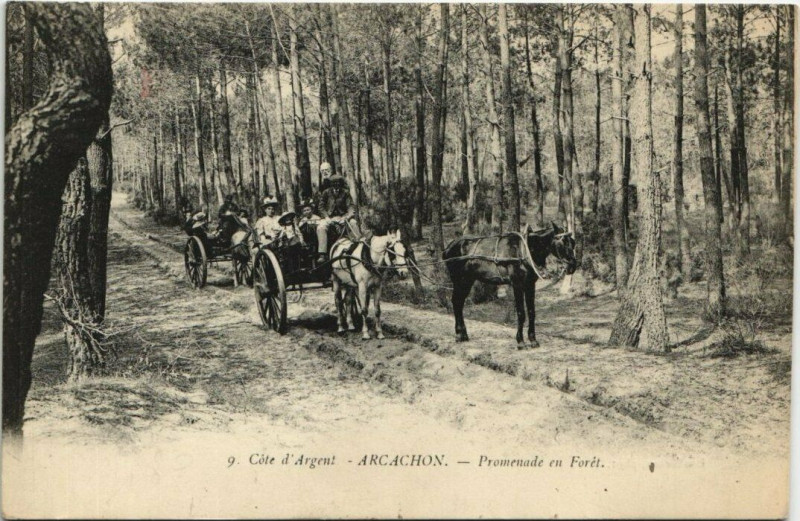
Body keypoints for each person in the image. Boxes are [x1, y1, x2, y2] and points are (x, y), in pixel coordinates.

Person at [316, 175, 361, 264]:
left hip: (342, 217)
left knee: (353, 222)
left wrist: (347, 217)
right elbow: (321, 207)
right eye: (334, 183)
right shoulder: (326, 192)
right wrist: (327, 217)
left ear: (340, 184)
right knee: (321, 227)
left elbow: (350, 206)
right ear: (331, 184)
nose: (336, 185)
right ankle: (322, 254)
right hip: (329, 217)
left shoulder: (345, 192)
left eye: (338, 183)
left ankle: (359, 244)